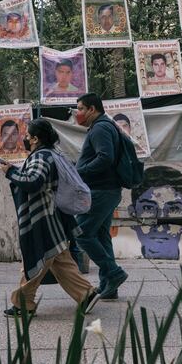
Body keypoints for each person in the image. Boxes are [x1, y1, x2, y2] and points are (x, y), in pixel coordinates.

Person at [0, 118, 100, 317]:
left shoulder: (41, 157)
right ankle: (86, 295)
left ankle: (23, 303)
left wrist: (10, 172)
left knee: (36, 257)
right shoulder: (51, 154)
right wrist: (16, 171)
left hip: (42, 218)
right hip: (50, 217)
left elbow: (34, 181)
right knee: (60, 260)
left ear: (35, 138)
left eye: (27, 135)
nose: (25, 139)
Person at [75, 93, 129, 300]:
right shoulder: (105, 125)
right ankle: (109, 285)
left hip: (101, 191)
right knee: (100, 236)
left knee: (81, 234)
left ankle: (114, 273)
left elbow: (105, 157)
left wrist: (81, 171)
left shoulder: (100, 128)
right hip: (106, 190)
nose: (78, 113)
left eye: (80, 108)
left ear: (92, 109)